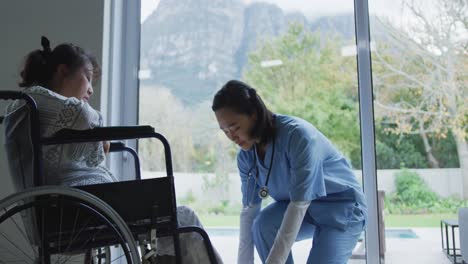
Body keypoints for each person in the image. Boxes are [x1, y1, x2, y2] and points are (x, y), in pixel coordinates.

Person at [4, 36, 222, 264]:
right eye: (87, 79)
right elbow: (82, 115)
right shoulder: (38, 99)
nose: (90, 91)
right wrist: (100, 128)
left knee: (172, 228)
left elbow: (94, 148)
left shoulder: (44, 112)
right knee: (186, 220)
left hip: (80, 205)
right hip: (80, 207)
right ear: (62, 71)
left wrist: (99, 137)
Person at [212, 80, 367, 264]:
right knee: (262, 224)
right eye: (225, 131)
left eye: (235, 128)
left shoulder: (298, 136)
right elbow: (249, 212)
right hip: (306, 211)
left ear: (253, 114)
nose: (232, 137)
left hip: (342, 209)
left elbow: (298, 205)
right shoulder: (246, 156)